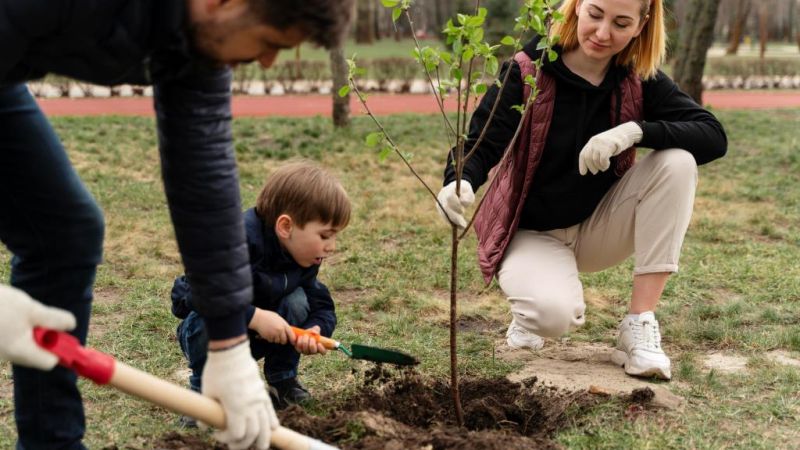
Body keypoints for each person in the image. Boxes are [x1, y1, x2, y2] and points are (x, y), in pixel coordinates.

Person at [0, 1, 353, 449]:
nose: (266, 62)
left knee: (65, 233)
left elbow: (204, 180)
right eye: (269, 42)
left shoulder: (202, 43)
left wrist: (228, 342)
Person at [436, 0, 727, 381]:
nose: (603, 33)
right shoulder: (528, 69)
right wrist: (458, 181)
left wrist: (635, 131)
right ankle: (530, 312)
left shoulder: (637, 77)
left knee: (678, 162)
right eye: (595, 14)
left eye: (621, 23)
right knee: (552, 316)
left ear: (641, 26)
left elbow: (713, 136)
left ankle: (638, 323)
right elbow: (481, 144)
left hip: (599, 229)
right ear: (575, 7)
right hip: (532, 233)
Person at [170, 160, 350, 422]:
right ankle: (204, 394)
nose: (331, 246)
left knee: (297, 301)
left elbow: (320, 304)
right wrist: (254, 317)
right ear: (286, 227)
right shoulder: (234, 242)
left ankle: (283, 381)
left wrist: (314, 329)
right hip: (212, 335)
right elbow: (193, 295)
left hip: (259, 339)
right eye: (324, 236)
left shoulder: (302, 257)